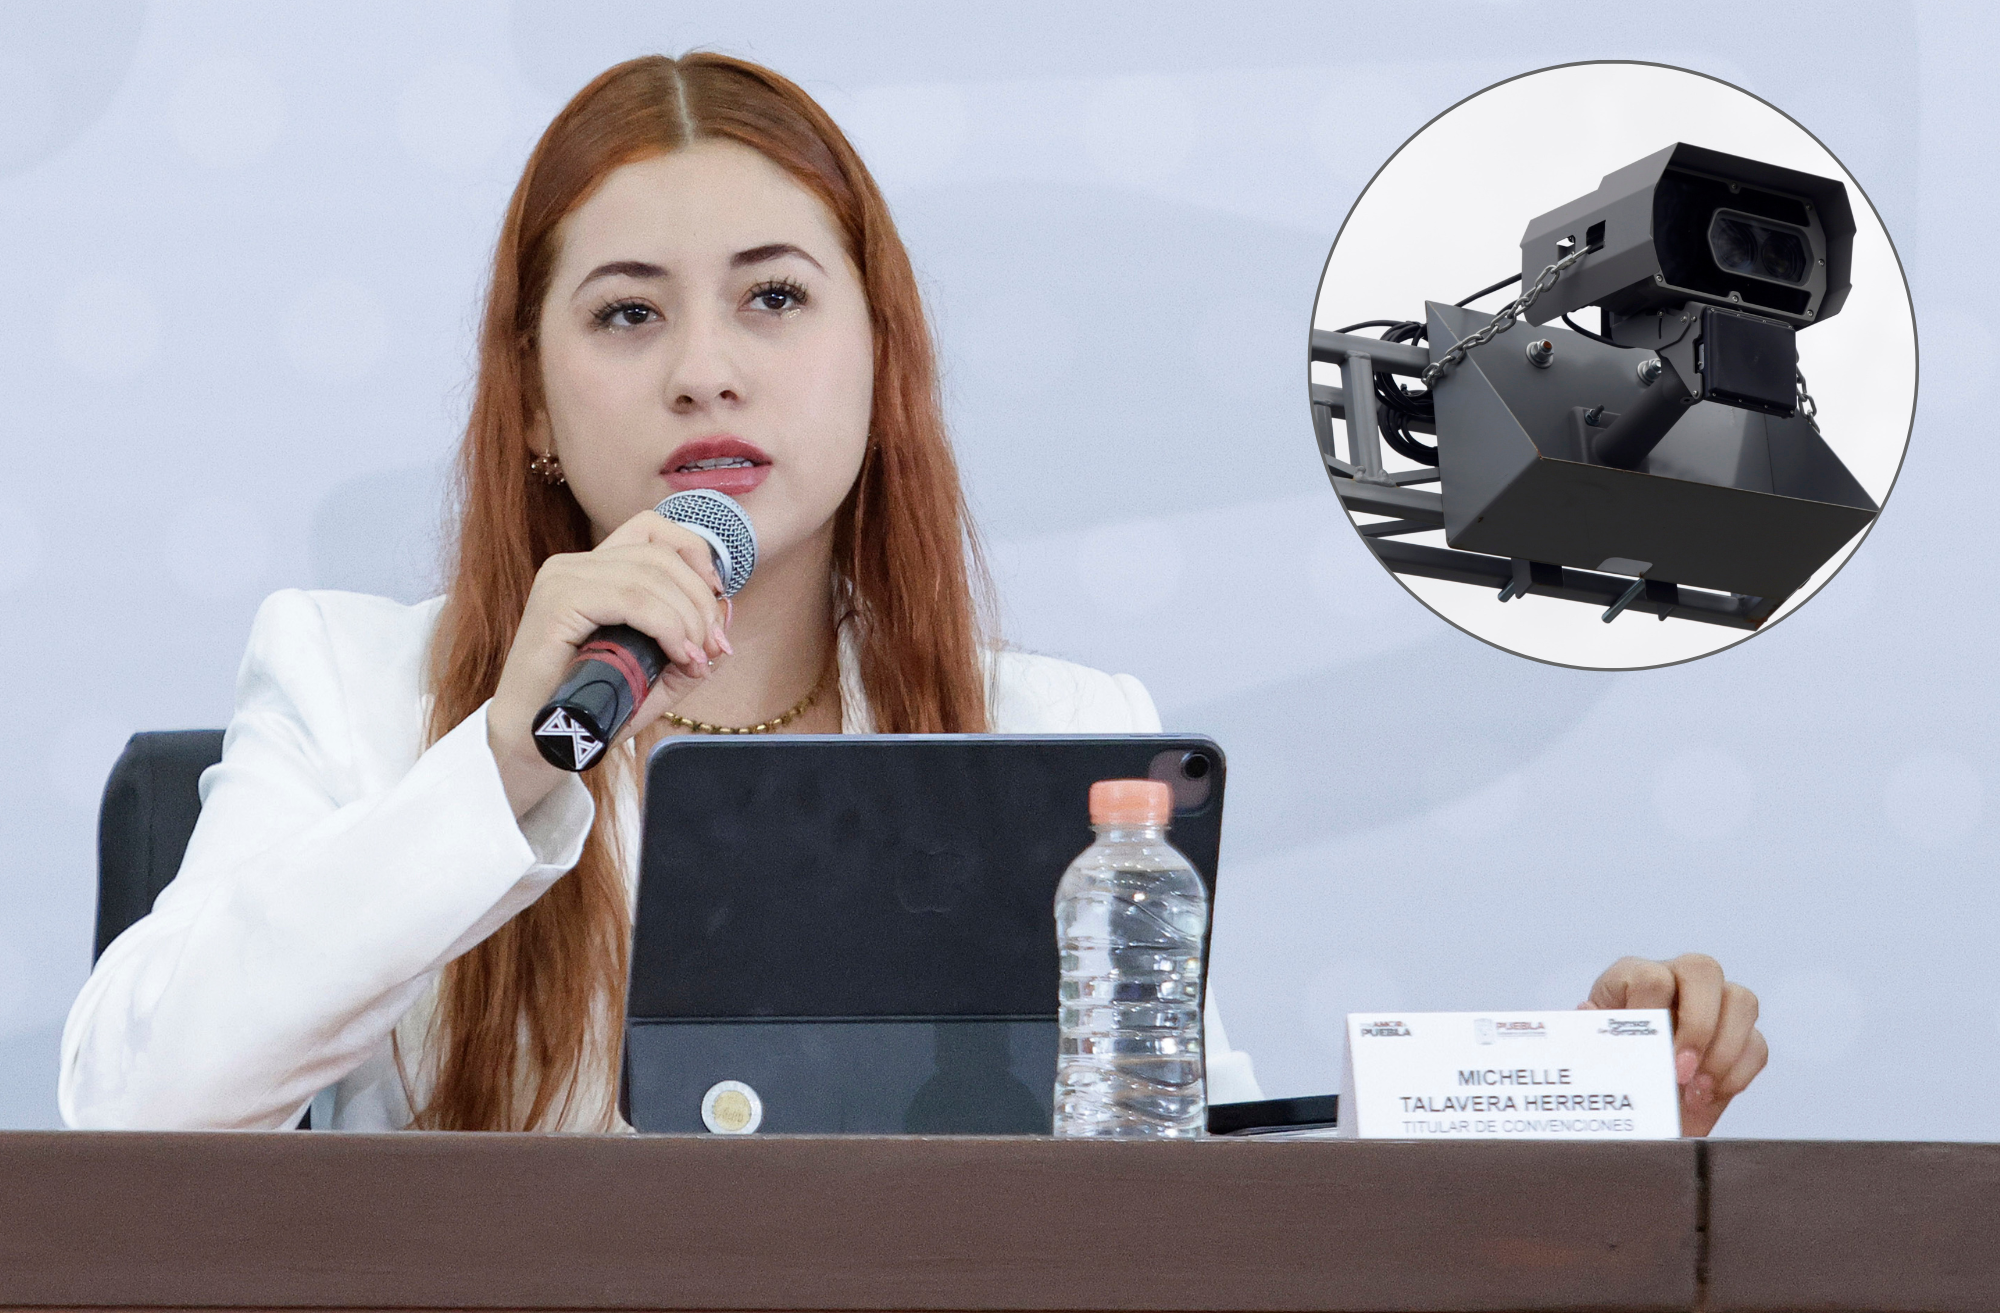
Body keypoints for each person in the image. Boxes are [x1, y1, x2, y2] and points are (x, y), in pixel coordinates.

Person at [59, 53, 1766, 1136]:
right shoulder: (352, 686)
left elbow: (1206, 1195)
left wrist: (1581, 1104)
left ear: (881, 367)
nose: (706, 370)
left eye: (776, 300)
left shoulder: (1065, 736)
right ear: (531, 404)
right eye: (629, 313)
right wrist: (504, 762)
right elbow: (134, 1109)